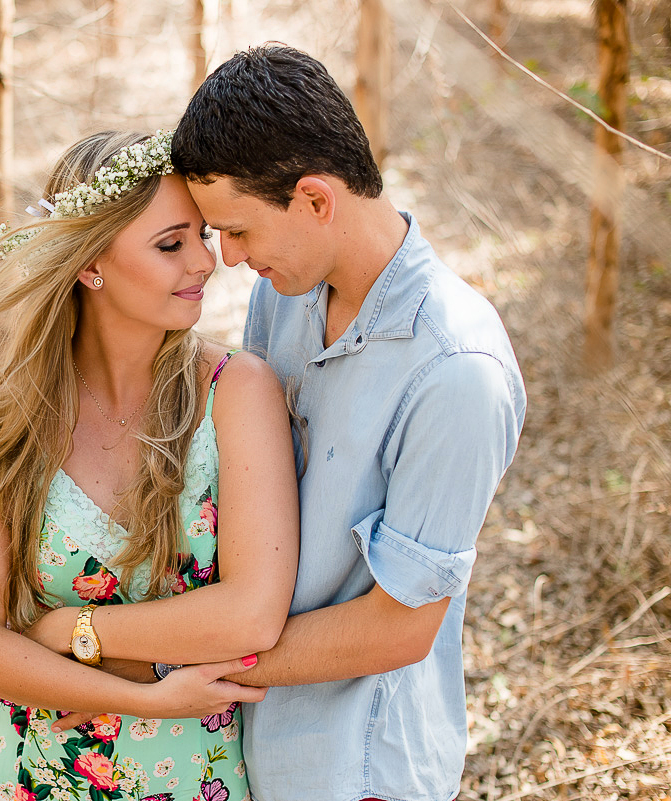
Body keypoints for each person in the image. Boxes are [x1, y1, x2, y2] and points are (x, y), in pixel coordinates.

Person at [0, 130, 299, 801]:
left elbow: (251, 614)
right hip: (37, 775)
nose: (206, 262)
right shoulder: (11, 418)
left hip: (190, 778)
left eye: (204, 237)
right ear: (91, 263)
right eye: (171, 243)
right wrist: (149, 697)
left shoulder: (236, 394)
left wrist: (62, 633)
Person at [163, 44, 527, 801]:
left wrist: (182, 660)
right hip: (245, 746)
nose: (226, 257)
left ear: (317, 199)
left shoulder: (456, 369)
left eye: (238, 230)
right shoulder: (286, 294)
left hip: (359, 768)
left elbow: (398, 628)